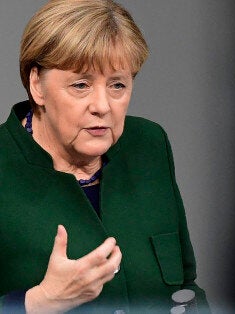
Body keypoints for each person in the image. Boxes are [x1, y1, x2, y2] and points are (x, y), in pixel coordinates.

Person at [0, 0, 209, 312]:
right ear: (37, 85)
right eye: (81, 85)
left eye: (117, 85)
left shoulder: (149, 145)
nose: (103, 105)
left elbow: (185, 288)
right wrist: (39, 302)